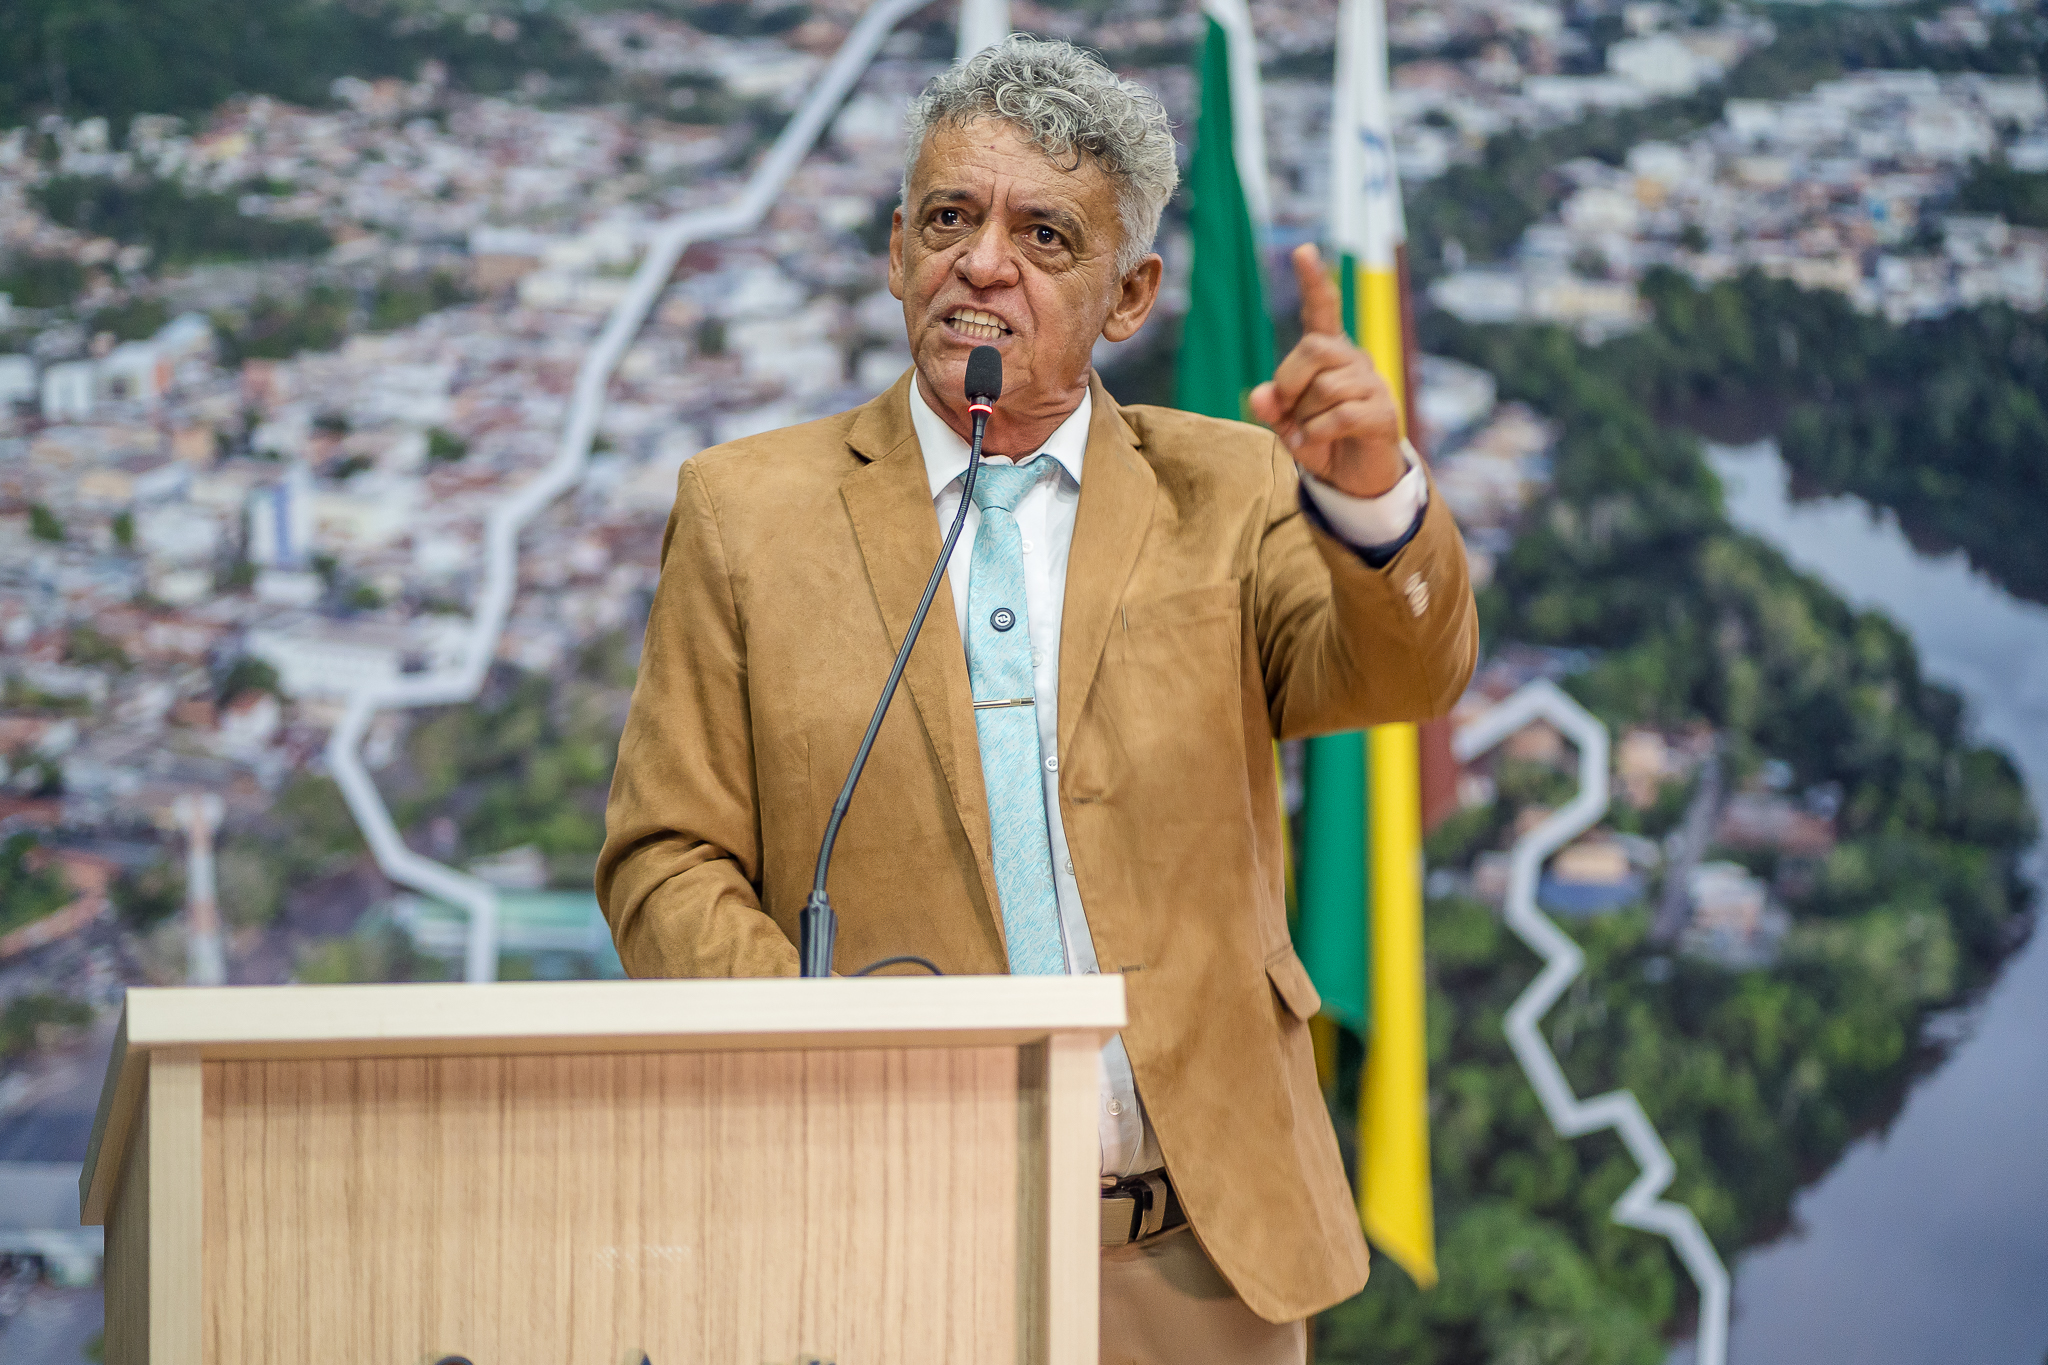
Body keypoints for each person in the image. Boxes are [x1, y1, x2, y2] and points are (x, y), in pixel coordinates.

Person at [598, 35, 1477, 1365]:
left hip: (1199, 1256)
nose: (982, 263)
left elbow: (1406, 672)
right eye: (950, 218)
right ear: (899, 251)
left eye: (1044, 235)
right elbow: (665, 858)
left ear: (1130, 297)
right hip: (884, 1244)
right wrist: (821, 1040)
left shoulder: (1231, 489)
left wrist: (1372, 499)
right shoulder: (743, 513)